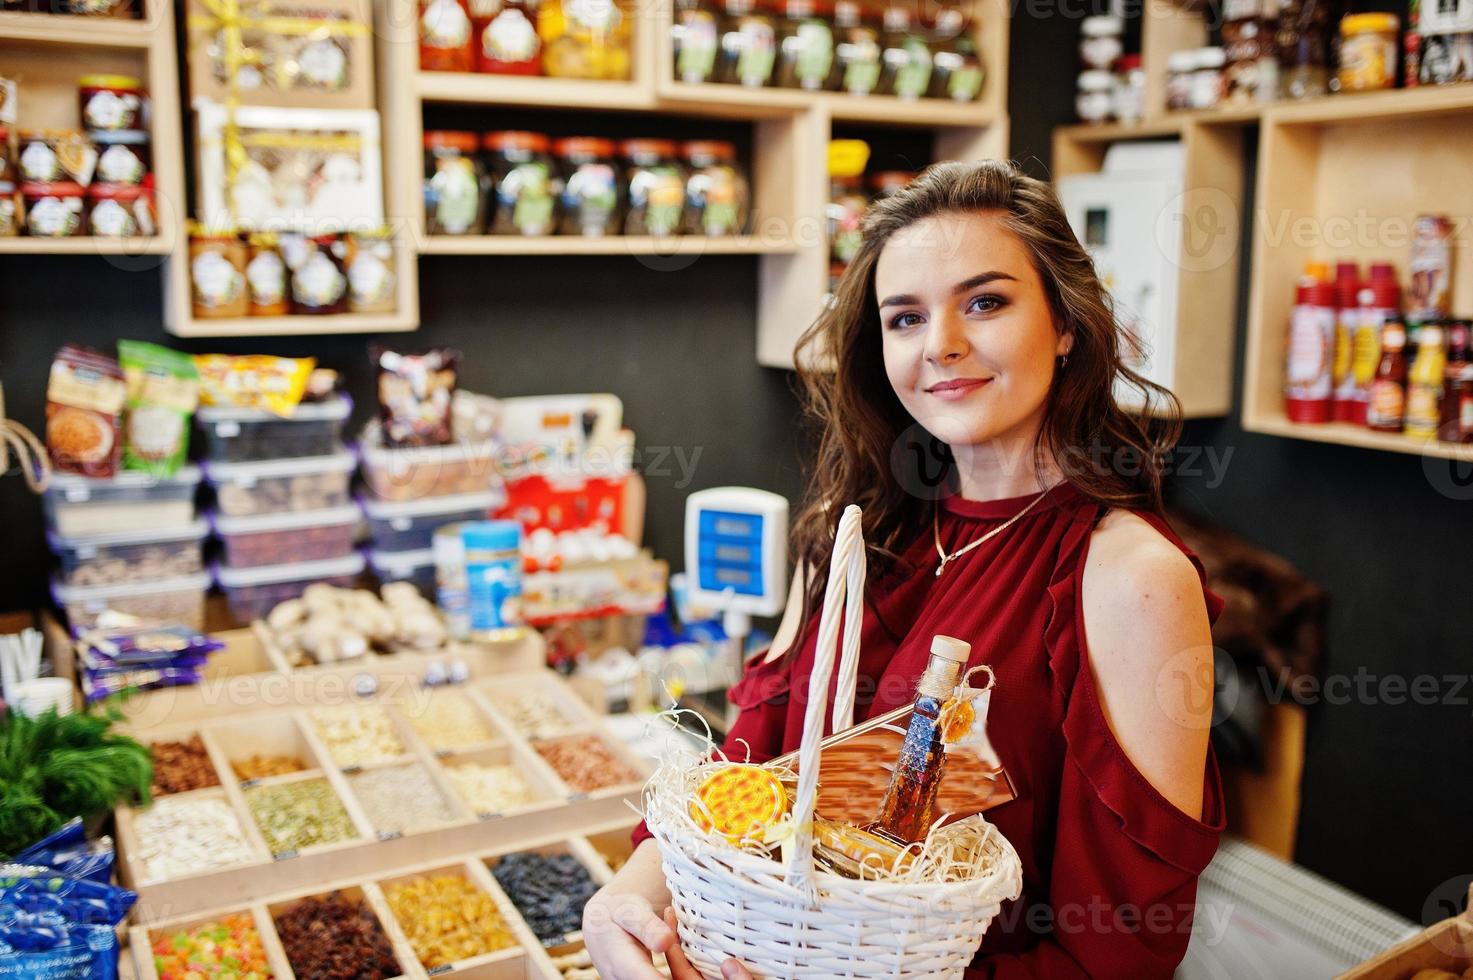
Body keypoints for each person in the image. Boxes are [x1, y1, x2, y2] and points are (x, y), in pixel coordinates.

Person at [583, 159, 1225, 978]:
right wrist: (622, 901)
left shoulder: (1130, 577)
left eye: (985, 302)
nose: (942, 346)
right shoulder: (855, 530)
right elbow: (741, 767)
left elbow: (1121, 954)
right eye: (905, 318)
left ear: (1066, 323)